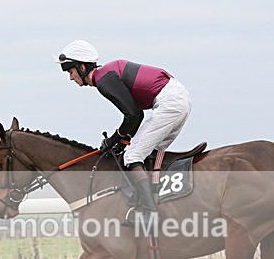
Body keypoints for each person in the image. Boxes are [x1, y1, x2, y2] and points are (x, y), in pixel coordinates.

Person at [58, 40, 191, 227]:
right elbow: (134, 116)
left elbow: (134, 116)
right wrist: (122, 140)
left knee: (133, 156)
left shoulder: (104, 80)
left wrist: (113, 140)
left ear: (81, 67)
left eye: (70, 72)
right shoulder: (107, 75)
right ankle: (155, 198)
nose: (70, 78)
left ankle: (150, 214)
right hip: (177, 99)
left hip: (169, 103)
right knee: (153, 150)